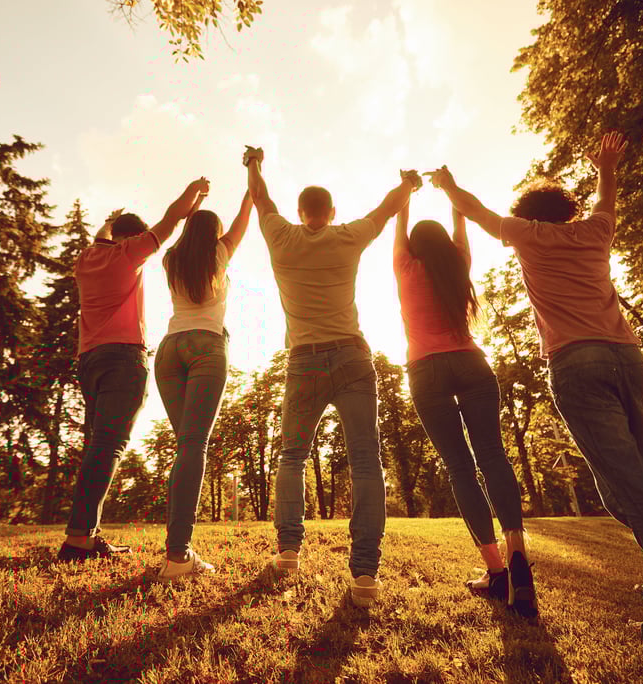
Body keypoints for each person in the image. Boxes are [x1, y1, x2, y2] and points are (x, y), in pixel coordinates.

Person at [428, 132, 643, 652]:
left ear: (530, 213)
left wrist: (447, 185)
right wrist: (606, 166)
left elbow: (475, 209)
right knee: (627, 486)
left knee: (635, 487)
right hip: (627, 360)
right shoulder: (596, 231)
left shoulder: (527, 234)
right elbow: (606, 201)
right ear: (569, 209)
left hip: (577, 365)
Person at [243, 145, 419, 606]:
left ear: (301, 213)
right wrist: (407, 184)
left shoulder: (281, 237)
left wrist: (255, 164)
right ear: (331, 211)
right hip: (352, 359)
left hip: (303, 361)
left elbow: (262, 200)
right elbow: (384, 211)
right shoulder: (347, 236)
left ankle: (287, 552)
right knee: (366, 461)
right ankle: (364, 576)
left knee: (292, 455)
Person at [392, 185, 537, 617]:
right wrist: (449, 191)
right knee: (493, 455)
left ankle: (496, 573)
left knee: (460, 467)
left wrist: (407, 192)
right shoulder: (458, 264)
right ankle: (517, 550)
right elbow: (460, 225)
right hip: (471, 362)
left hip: (425, 369)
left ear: (416, 246)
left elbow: (398, 227)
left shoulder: (404, 266)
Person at [58, 178, 210, 562]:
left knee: (97, 446)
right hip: (123, 360)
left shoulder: (87, 258)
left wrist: (110, 222)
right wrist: (195, 194)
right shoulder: (129, 253)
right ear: (135, 237)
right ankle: (78, 539)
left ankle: (86, 534)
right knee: (108, 446)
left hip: (89, 361)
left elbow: (102, 234)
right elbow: (170, 219)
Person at [154, 187, 254, 582]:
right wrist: (250, 189)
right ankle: (178, 556)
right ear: (214, 233)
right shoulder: (220, 253)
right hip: (206, 347)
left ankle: (178, 552)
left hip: (169, 350)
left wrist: (193, 205)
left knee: (185, 449)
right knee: (192, 448)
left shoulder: (170, 258)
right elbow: (243, 219)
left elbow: (179, 224)